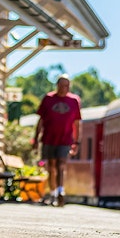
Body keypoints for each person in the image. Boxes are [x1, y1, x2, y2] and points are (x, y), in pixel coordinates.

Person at [33, 74, 82, 206]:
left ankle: (60, 192)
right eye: (62, 85)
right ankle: (53, 193)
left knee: (61, 164)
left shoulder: (74, 101)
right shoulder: (48, 99)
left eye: (67, 86)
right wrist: (36, 138)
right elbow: (41, 120)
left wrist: (76, 141)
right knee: (51, 166)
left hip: (65, 139)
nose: (64, 88)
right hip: (49, 138)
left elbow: (77, 123)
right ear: (57, 85)